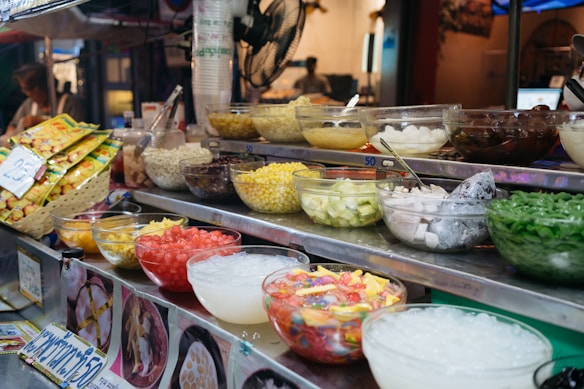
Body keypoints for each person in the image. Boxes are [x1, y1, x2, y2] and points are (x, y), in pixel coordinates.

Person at [0, 62, 85, 147]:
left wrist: (42, 122)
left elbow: (78, 132)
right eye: (25, 90)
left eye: (30, 89)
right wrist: (10, 137)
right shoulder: (29, 104)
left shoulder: (69, 103)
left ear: (44, 85)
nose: (28, 94)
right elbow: (13, 125)